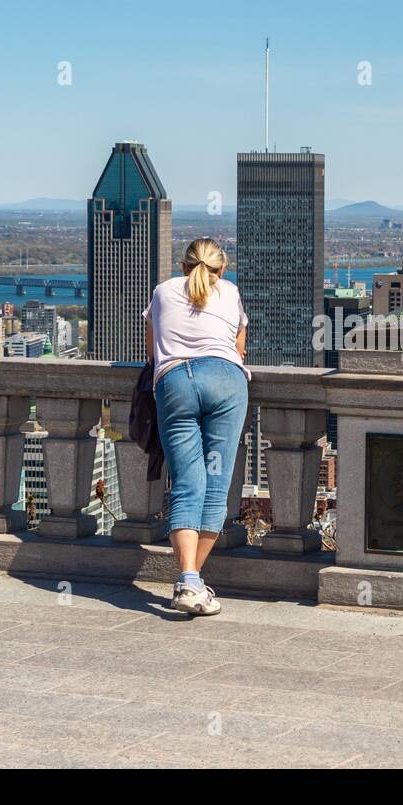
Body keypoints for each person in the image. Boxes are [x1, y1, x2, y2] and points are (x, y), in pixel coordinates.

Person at [146, 238, 250, 616]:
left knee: (187, 485)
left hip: (175, 384)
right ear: (222, 269)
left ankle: (190, 579)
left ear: (183, 265)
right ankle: (192, 582)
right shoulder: (231, 293)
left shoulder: (162, 291)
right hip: (225, 381)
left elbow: (152, 351)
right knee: (215, 484)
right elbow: (239, 350)